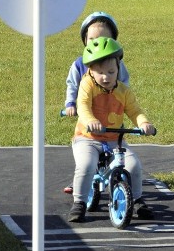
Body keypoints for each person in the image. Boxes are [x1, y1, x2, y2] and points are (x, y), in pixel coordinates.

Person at [67, 37, 156, 223]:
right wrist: (90, 120)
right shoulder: (87, 85)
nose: (106, 77)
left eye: (111, 71)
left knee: (133, 165)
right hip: (87, 138)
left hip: (114, 139)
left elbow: (135, 110)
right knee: (86, 165)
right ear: (90, 70)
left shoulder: (124, 91)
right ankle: (79, 202)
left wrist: (144, 123)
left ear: (118, 70)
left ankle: (138, 199)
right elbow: (82, 105)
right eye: (100, 72)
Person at [62, 11, 130, 194]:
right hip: (89, 116)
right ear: (85, 40)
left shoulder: (117, 65)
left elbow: (124, 87)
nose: (96, 43)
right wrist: (70, 104)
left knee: (117, 153)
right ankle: (81, 181)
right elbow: (72, 85)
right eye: (91, 39)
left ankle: (119, 178)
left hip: (111, 116)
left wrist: (125, 105)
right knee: (86, 156)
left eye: (103, 38)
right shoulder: (79, 64)